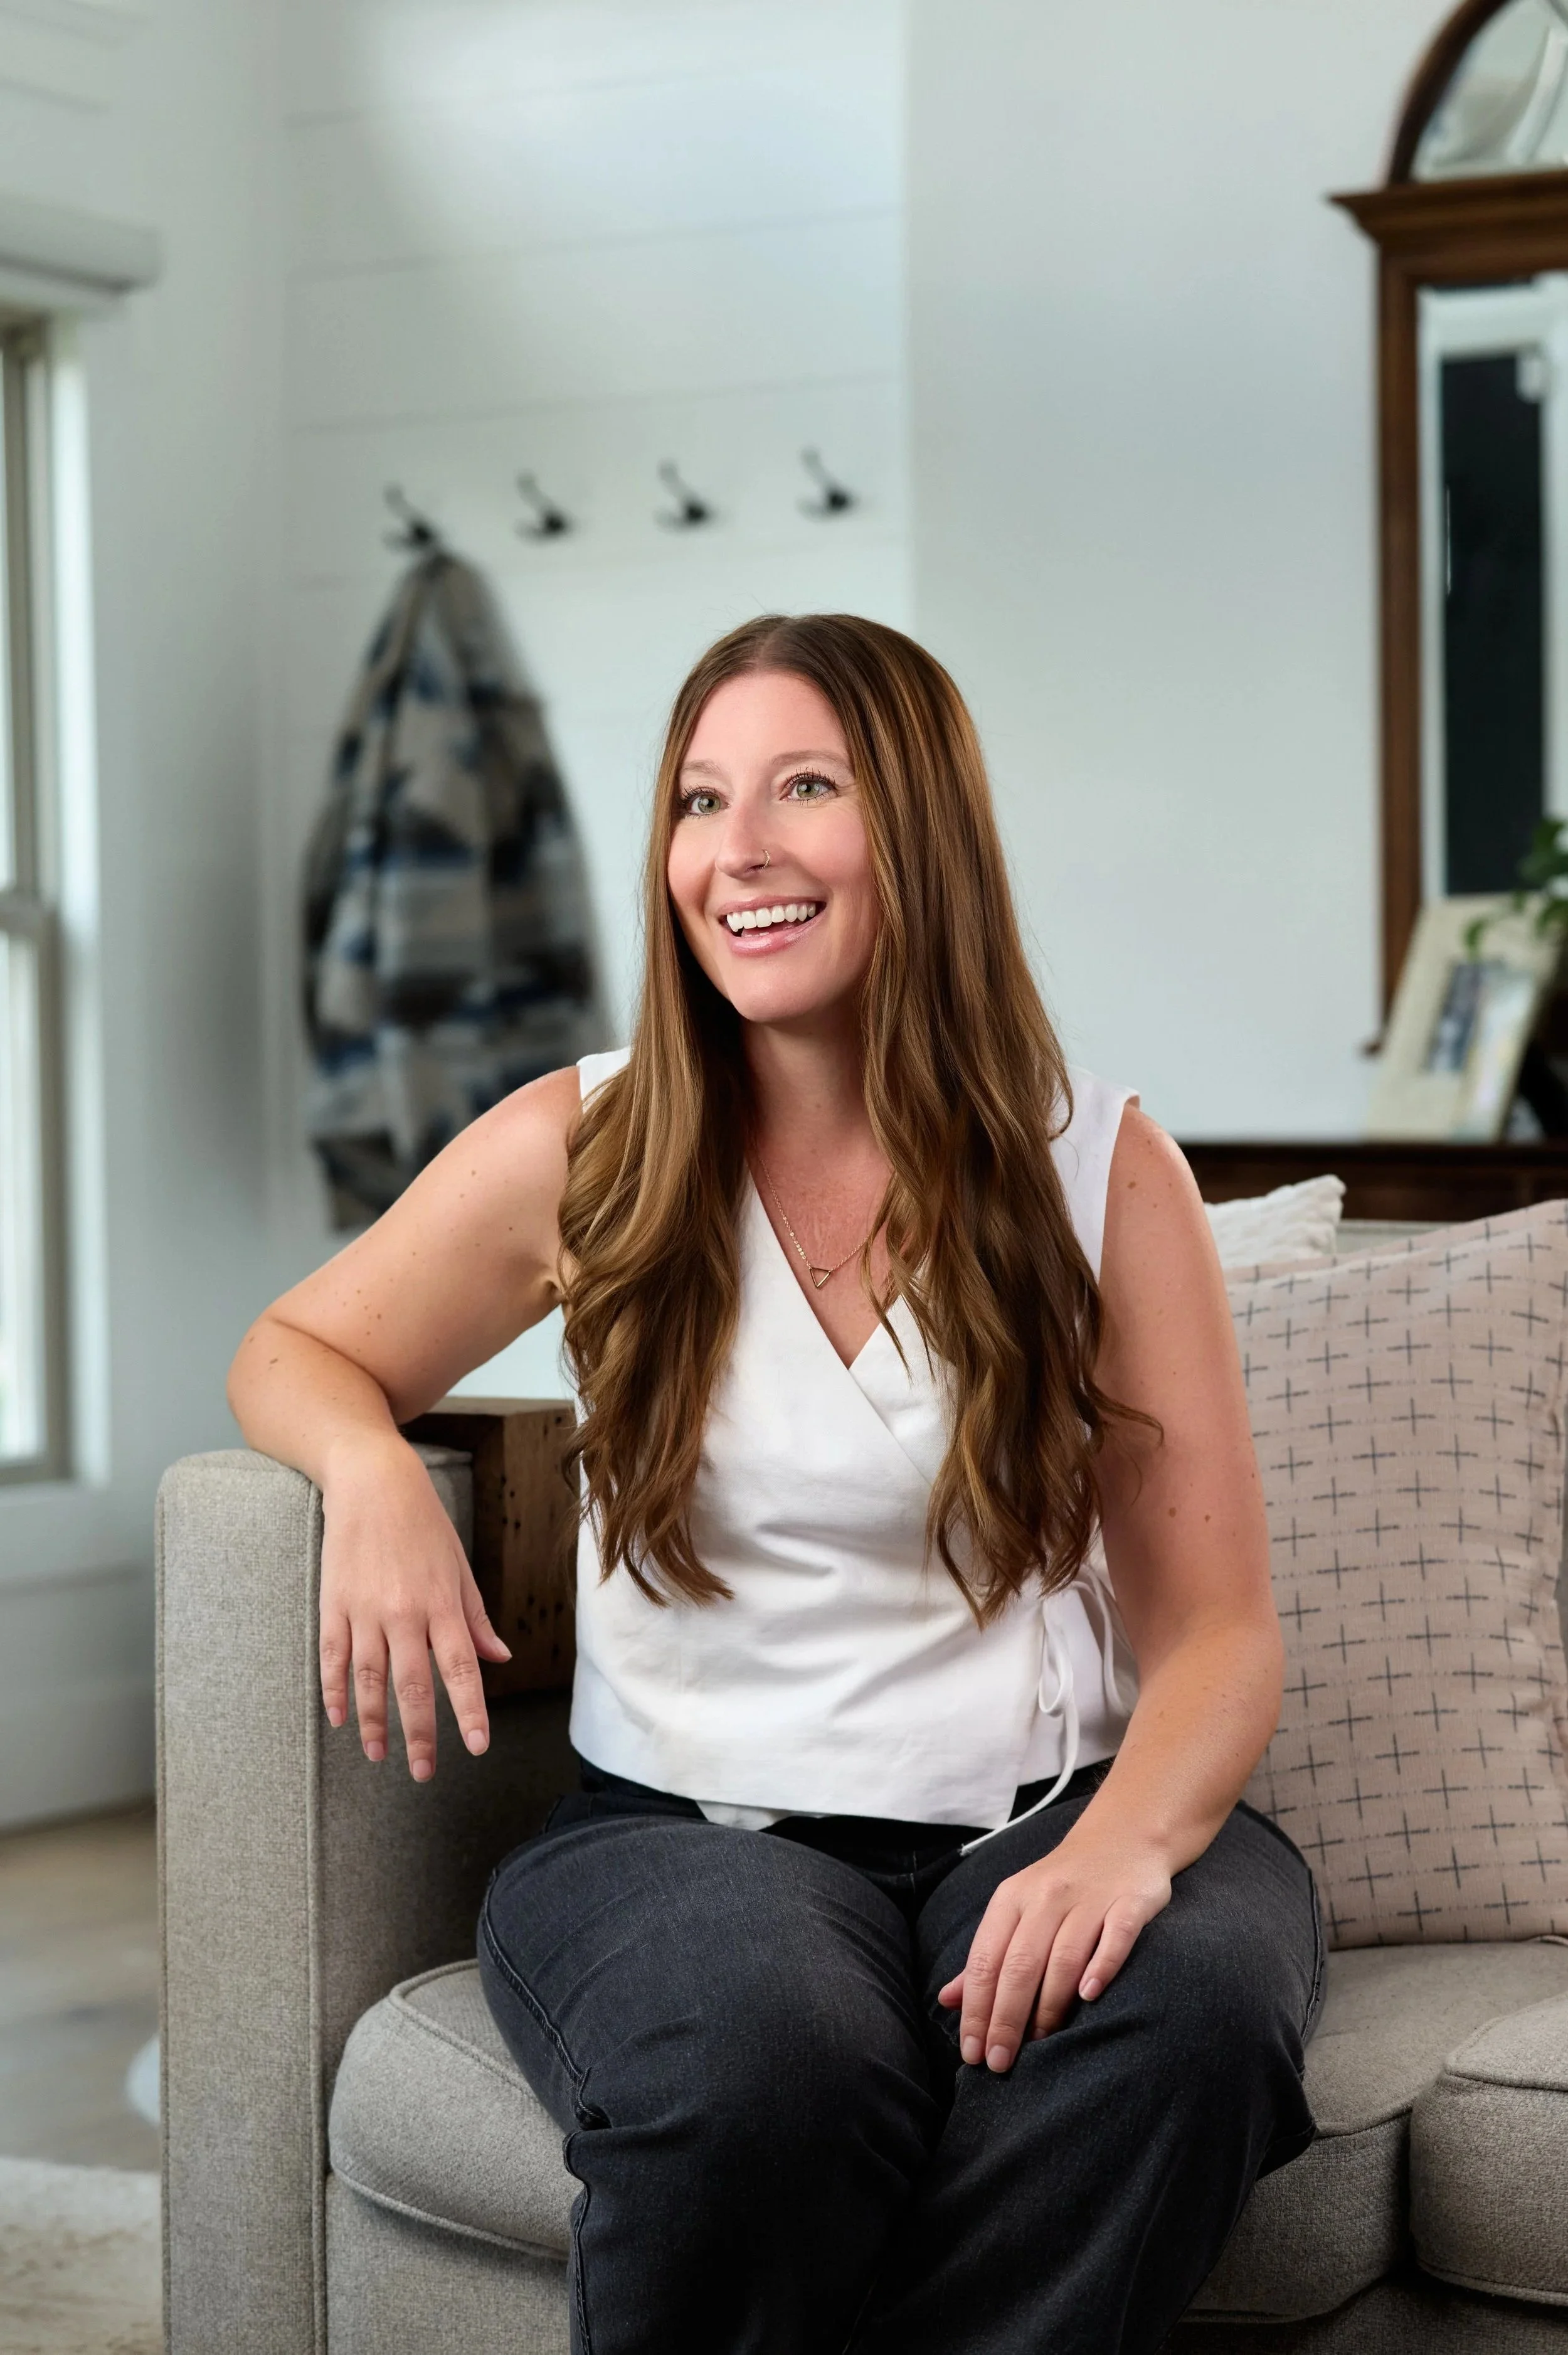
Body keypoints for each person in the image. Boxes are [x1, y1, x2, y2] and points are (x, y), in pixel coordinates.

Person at [229, 613, 1321, 2355]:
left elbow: (1218, 1636)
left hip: (1049, 1802)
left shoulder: (1098, 1168)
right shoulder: (585, 1144)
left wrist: (1116, 1854)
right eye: (697, 798)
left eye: (803, 787)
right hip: (685, 1838)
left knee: (1179, 2024)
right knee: (761, 2066)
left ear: (920, 833)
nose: (734, 850)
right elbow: (295, 1346)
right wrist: (366, 1467)